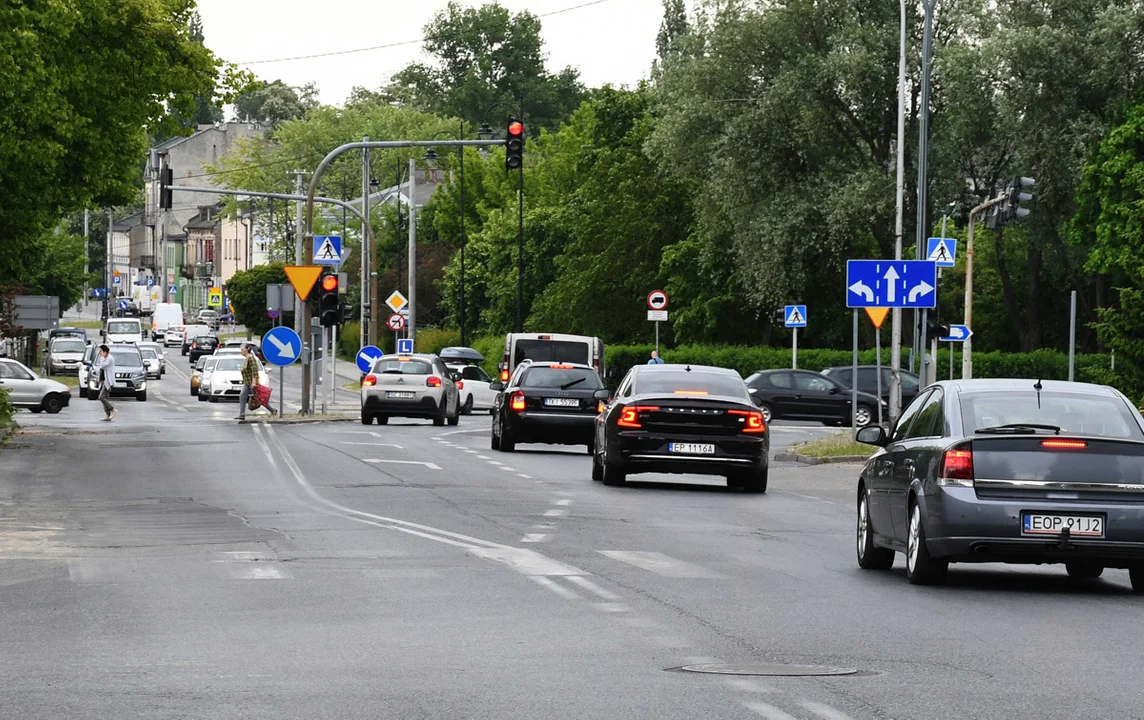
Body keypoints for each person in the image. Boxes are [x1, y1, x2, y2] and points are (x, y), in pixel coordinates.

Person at [93, 344, 117, 421]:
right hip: (103, 380)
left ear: (105, 352)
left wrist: (102, 357)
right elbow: (99, 368)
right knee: (105, 398)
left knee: (101, 397)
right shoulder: (104, 358)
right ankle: (107, 415)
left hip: (108, 381)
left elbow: (102, 366)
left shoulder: (109, 359)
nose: (99, 353)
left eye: (101, 351)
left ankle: (112, 409)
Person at [237, 344, 259, 421]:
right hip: (247, 382)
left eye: (242, 350)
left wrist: (254, 382)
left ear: (247, 350)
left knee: (258, 398)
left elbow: (254, 370)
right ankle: (242, 415)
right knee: (242, 396)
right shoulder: (246, 358)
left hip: (251, 382)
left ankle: (272, 410)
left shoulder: (251, 358)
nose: (241, 351)